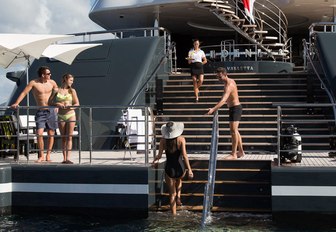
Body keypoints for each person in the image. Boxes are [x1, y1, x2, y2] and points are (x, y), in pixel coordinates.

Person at [11, 66, 58, 162]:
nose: (50, 75)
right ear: (43, 75)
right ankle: (41, 155)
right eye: (48, 74)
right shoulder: (34, 83)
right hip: (41, 111)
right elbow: (24, 93)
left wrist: (57, 104)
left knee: (51, 134)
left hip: (51, 111)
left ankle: (48, 155)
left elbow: (58, 93)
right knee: (39, 134)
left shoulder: (52, 82)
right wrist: (17, 103)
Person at [152, 121, 193, 215]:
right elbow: (185, 156)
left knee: (171, 195)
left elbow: (159, 155)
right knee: (179, 179)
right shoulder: (181, 140)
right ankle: (178, 197)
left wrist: (155, 161)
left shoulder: (163, 141)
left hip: (169, 170)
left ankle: (174, 216)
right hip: (180, 168)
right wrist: (189, 170)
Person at [206, 67, 245, 160]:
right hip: (233, 108)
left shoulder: (229, 85)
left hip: (236, 108)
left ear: (225, 74)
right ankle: (241, 152)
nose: (218, 79)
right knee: (235, 131)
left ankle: (234, 154)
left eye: (220, 77)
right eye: (217, 77)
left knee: (233, 131)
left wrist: (213, 109)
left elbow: (223, 100)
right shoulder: (228, 82)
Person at [49, 74, 79, 164]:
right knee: (63, 138)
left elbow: (77, 103)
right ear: (65, 79)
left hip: (71, 114)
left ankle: (68, 158)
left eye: (72, 80)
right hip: (61, 115)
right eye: (70, 80)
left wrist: (71, 106)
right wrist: (57, 104)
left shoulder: (72, 91)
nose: (72, 82)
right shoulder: (56, 90)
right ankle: (64, 158)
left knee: (69, 137)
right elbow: (49, 102)